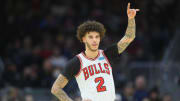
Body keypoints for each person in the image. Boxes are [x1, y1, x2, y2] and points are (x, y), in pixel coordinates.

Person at [51, 3, 139, 101]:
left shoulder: (107, 54)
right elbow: (55, 88)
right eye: (91, 37)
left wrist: (131, 19)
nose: (94, 40)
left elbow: (129, 37)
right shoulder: (77, 61)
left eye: (97, 37)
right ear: (84, 39)